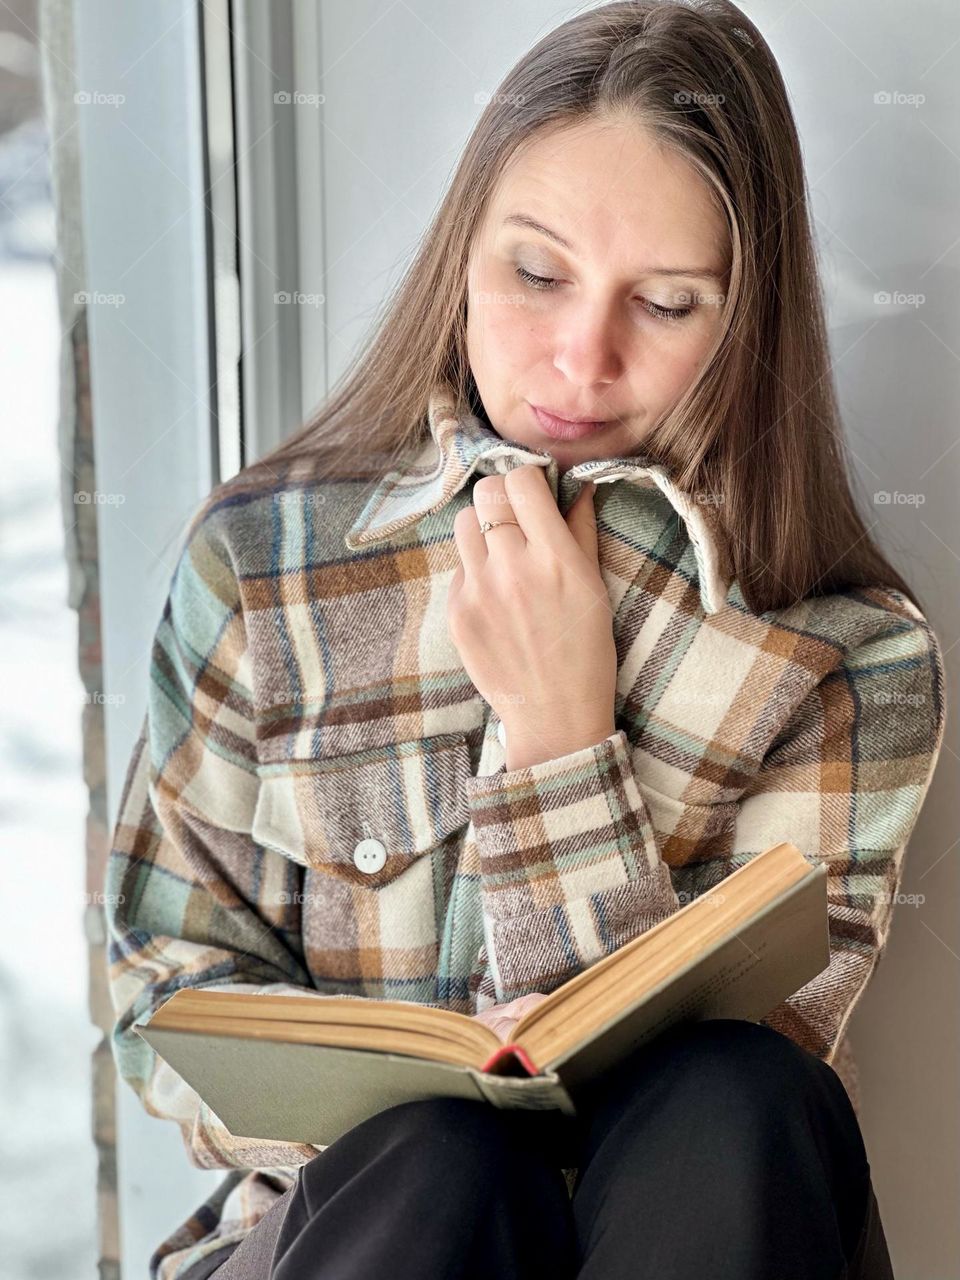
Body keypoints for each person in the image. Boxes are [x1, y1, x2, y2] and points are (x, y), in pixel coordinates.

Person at [103, 1, 945, 1277]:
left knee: (739, 1094)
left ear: (747, 326)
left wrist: (563, 741)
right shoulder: (267, 563)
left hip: (679, 1226)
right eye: (537, 274)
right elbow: (157, 1001)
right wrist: (404, 1110)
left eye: (665, 304)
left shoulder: (845, 658)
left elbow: (735, 1144)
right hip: (345, 1234)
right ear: (464, 256)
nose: (579, 356)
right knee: (442, 1158)